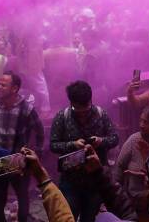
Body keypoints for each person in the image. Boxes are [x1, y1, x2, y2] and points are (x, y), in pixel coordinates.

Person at [50, 80, 119, 222]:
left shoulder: (101, 114)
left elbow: (115, 138)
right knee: (67, 217)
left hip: (95, 181)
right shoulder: (62, 117)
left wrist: (101, 141)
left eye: (86, 110)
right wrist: (72, 144)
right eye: (78, 111)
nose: (82, 115)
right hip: (70, 180)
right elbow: (53, 145)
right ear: (71, 102)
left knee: (89, 218)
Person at [0, 71, 44, 222]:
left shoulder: (26, 109)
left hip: (17, 161)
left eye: (3, 85)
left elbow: (40, 132)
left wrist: (36, 156)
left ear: (14, 88)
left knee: (22, 197)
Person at [115, 106, 149, 218]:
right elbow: (119, 166)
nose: (141, 125)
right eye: (141, 120)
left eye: (146, 122)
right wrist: (117, 193)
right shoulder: (134, 140)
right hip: (132, 200)